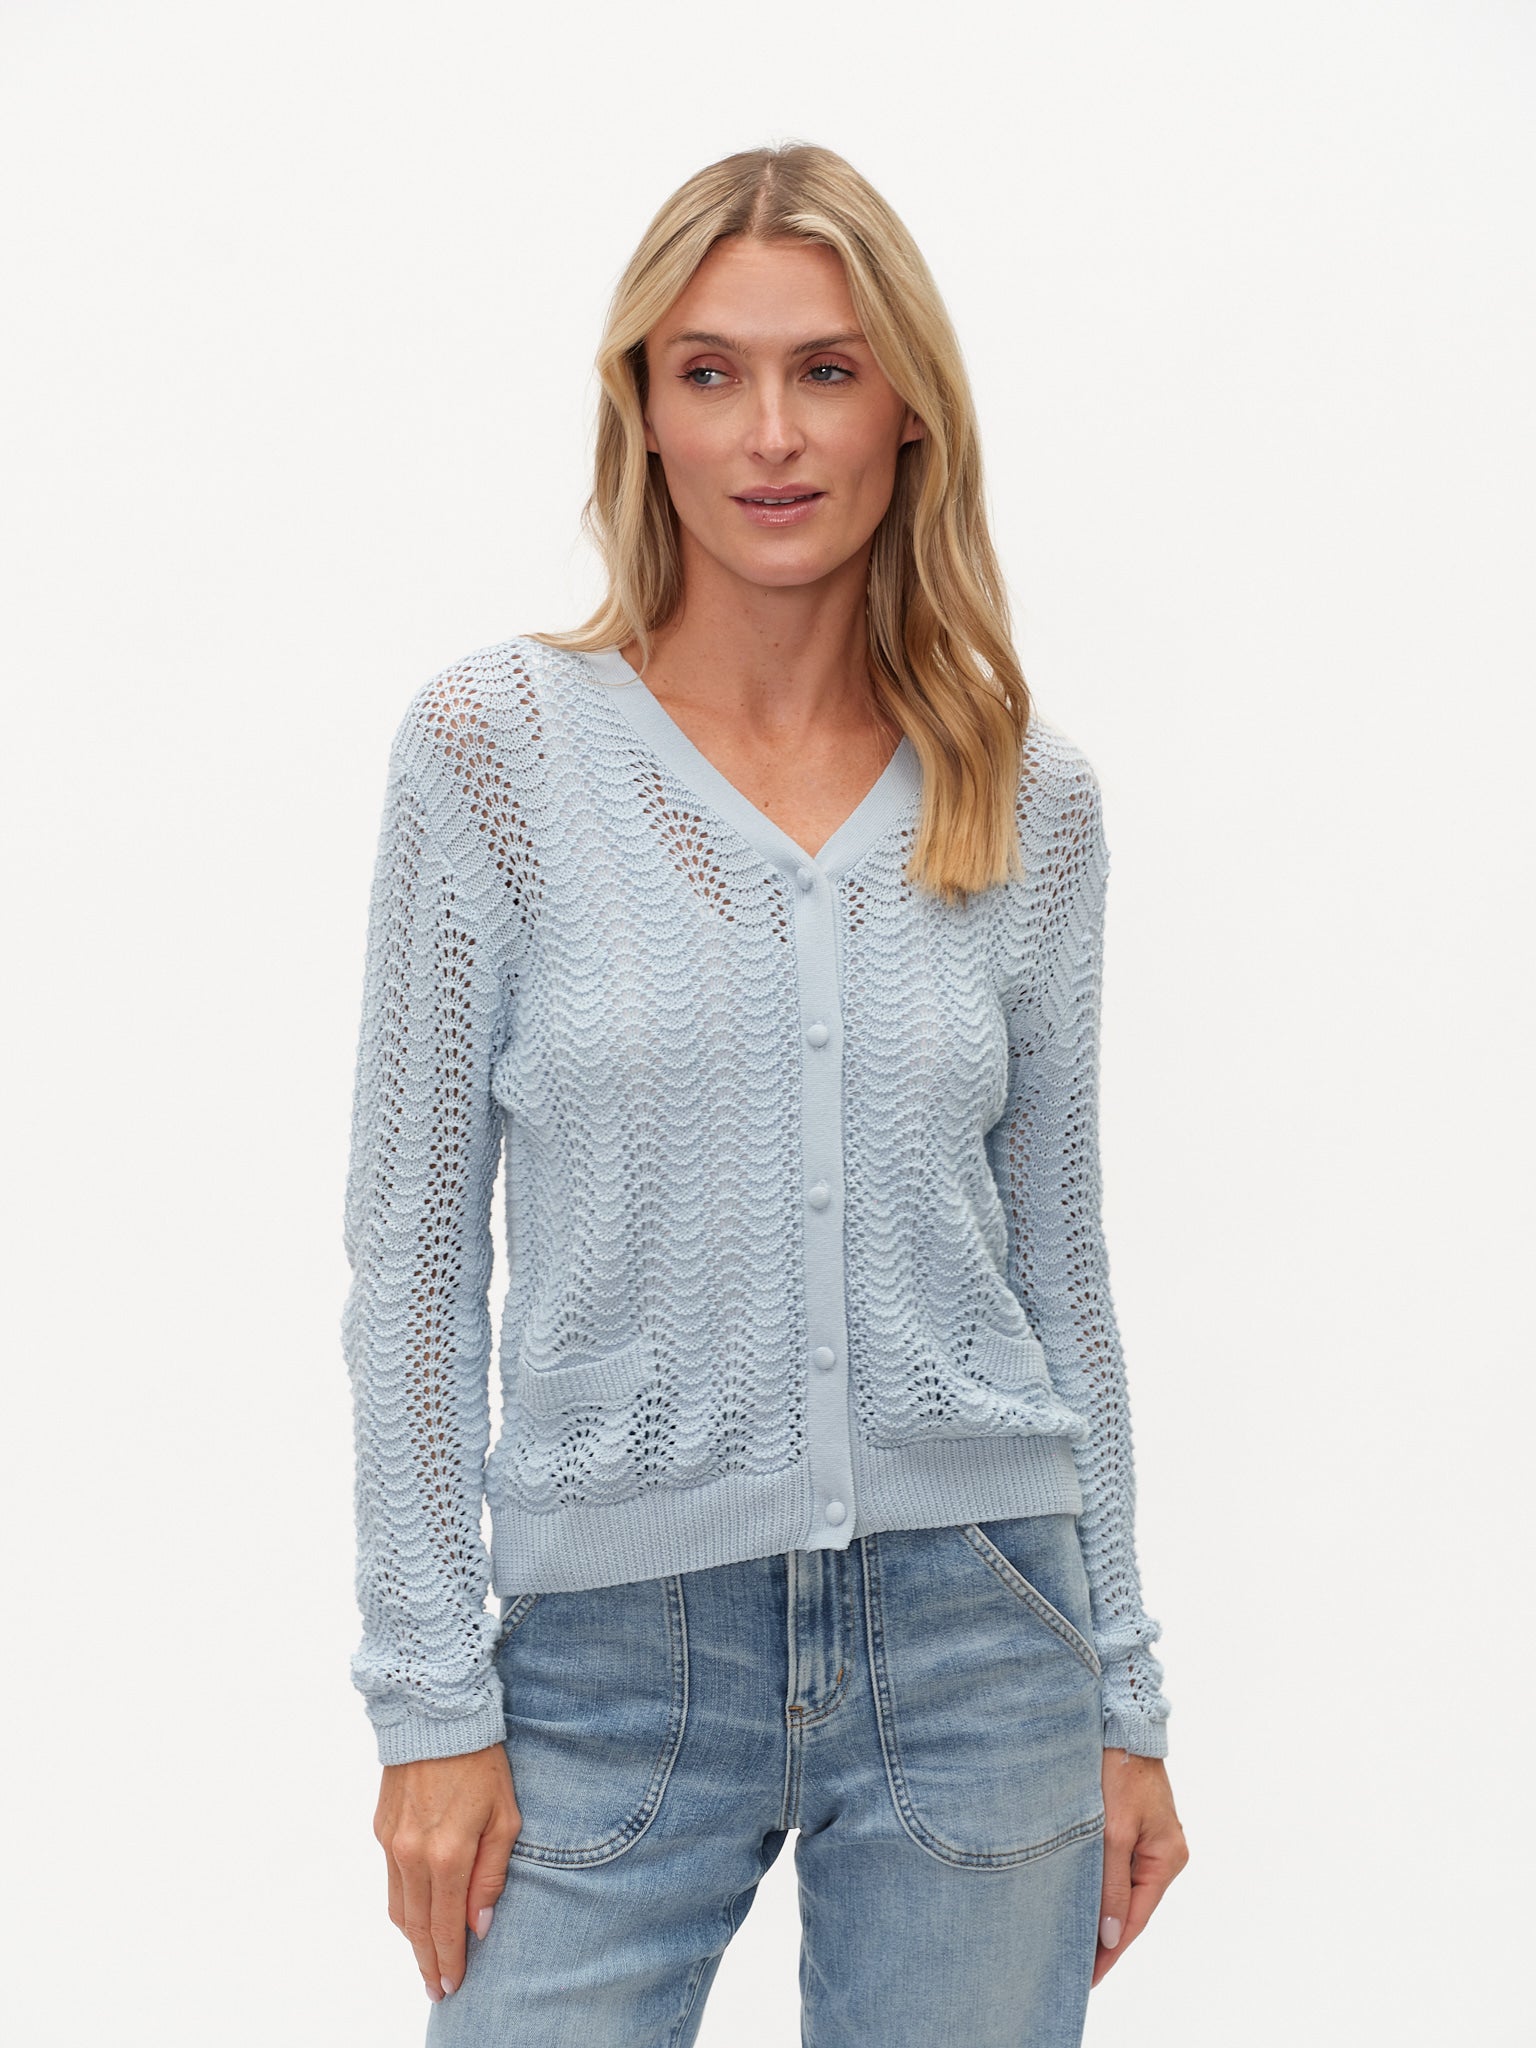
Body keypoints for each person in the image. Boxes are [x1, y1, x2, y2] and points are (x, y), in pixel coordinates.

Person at [341, 140, 1188, 2047]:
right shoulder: (496, 756)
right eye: (710, 372)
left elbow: (1063, 1275)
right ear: (641, 411)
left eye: (827, 369)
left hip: (986, 1638)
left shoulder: (1026, 799)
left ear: (908, 410)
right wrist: (428, 1702)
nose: (772, 433)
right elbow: (408, 1266)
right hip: (605, 1660)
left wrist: (1124, 1690)